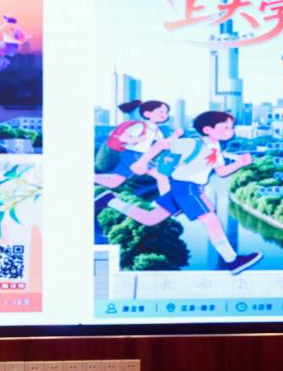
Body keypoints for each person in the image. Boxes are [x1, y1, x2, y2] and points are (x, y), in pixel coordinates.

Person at [100, 110, 263, 274]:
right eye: (225, 127)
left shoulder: (215, 147)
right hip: (186, 187)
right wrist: (141, 163)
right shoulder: (191, 143)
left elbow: (221, 172)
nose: (231, 131)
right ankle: (232, 261)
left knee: (150, 218)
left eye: (231, 127)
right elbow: (161, 145)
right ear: (207, 129)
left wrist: (240, 164)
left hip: (189, 187)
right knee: (211, 219)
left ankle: (109, 200)